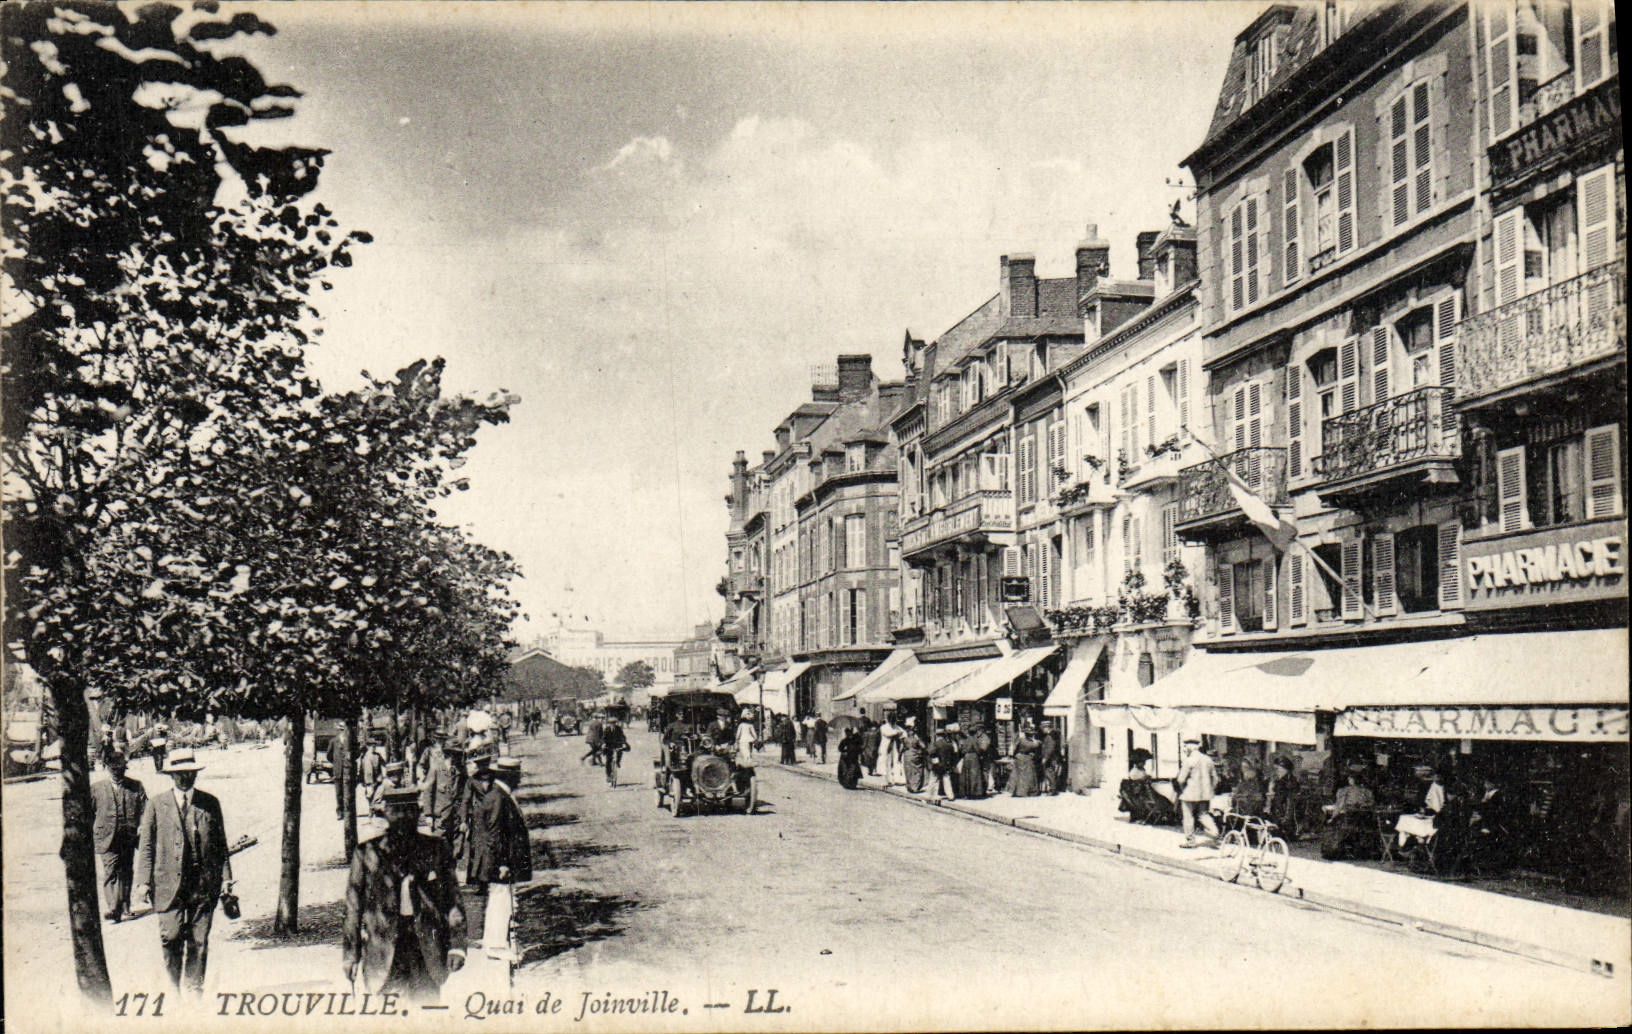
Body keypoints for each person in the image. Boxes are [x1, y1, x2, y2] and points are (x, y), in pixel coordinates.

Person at [342, 787, 467, 1003]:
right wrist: (351, 955)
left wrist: (457, 946)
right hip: (383, 952)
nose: (403, 816)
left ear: (418, 812)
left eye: (409, 810)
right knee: (390, 1014)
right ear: (386, 813)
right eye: (396, 811)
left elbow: (453, 900)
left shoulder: (436, 849)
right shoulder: (367, 853)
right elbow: (353, 907)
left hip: (427, 949)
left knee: (427, 1010)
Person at [133, 749, 235, 994]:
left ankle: (193, 987)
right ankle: (173, 987)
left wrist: (226, 877)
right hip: (167, 883)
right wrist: (143, 882)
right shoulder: (156, 805)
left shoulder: (210, 803)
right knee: (171, 937)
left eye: (190, 772)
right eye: (180, 773)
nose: (185, 777)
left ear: (195, 774)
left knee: (199, 939)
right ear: (171, 775)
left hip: (203, 883)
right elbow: (146, 846)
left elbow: (220, 844)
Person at [464, 755, 531, 962]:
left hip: (498, 859)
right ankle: (496, 946)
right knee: (500, 900)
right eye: (517, 775)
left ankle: (494, 942)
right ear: (509, 776)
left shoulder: (499, 795)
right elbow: (495, 833)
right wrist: (502, 862)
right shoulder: (499, 798)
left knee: (499, 899)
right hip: (497, 860)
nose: (519, 779)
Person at [93, 751, 148, 922]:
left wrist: (142, 825)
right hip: (106, 837)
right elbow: (88, 813)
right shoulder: (96, 789)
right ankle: (113, 907)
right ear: (107, 768)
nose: (117, 773)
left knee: (126, 871)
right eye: (113, 769)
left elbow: (146, 809)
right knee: (110, 870)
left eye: (121, 769)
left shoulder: (136, 786)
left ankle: (125, 906)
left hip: (128, 837)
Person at [1321, 767, 1379, 860]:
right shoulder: (1367, 791)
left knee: (1331, 824)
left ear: (1352, 780)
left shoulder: (1345, 791)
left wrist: (1332, 817)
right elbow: (1372, 804)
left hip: (1348, 822)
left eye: (1350, 778)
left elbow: (1340, 806)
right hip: (1362, 822)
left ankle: (1335, 849)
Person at [420, 735, 467, 848]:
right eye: (455, 754)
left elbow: (464, 794)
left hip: (456, 815)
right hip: (440, 817)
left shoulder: (461, 770)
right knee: (440, 845)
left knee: (457, 845)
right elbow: (428, 792)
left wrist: (464, 818)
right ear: (448, 754)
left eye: (458, 754)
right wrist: (428, 815)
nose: (457, 758)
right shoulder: (436, 768)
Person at [1175, 737, 1220, 848]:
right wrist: (1210, 789)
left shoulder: (1188, 760)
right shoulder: (1208, 760)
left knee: (1188, 817)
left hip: (1189, 794)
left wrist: (1183, 790)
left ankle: (1190, 841)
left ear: (1191, 747)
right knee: (1203, 815)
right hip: (1205, 794)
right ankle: (1215, 833)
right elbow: (1215, 779)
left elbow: (1180, 779)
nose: (1184, 749)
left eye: (1185, 746)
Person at [1118, 748, 1175, 825]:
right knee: (1165, 798)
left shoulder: (1137, 771)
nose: (1144, 764)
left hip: (1142, 797)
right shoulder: (1136, 773)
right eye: (1142, 762)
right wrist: (1147, 778)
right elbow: (1143, 782)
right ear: (1137, 762)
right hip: (1144, 797)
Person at [1266, 755, 1302, 839]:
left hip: (1284, 820)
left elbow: (1289, 803)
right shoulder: (1281, 781)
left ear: (1285, 769)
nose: (1276, 771)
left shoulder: (1288, 783)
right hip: (1281, 817)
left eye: (1277, 769)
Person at [1007, 721, 1041, 797]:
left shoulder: (1020, 739)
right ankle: (1024, 792)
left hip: (1019, 758)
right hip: (1025, 758)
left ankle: (1019, 791)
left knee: (1019, 775)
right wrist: (1037, 742)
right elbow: (1034, 745)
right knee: (1027, 776)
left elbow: (1014, 748)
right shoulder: (1025, 741)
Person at [929, 724, 959, 799]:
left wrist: (935, 762)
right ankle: (950, 796)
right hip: (946, 764)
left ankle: (932, 795)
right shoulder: (950, 744)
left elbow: (931, 753)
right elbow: (954, 754)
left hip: (937, 764)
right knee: (947, 780)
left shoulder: (936, 743)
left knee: (934, 780)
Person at [957, 724, 986, 800]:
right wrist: (979, 754)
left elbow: (962, 750)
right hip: (973, 758)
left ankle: (966, 792)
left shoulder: (966, 740)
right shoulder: (974, 739)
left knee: (966, 775)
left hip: (966, 757)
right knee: (974, 775)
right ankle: (974, 792)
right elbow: (977, 749)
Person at [879, 713, 906, 787]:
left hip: (895, 746)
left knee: (896, 761)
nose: (892, 721)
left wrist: (898, 733)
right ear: (888, 719)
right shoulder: (883, 727)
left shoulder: (896, 727)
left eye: (893, 719)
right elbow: (888, 734)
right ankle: (887, 780)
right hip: (886, 747)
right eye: (891, 719)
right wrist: (897, 733)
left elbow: (904, 733)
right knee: (886, 763)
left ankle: (897, 779)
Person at [601, 716, 629, 786]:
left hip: (617, 745)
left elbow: (622, 736)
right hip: (609, 746)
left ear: (615, 723)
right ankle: (608, 775)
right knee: (608, 761)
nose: (612, 724)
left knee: (620, 752)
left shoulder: (618, 729)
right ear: (609, 723)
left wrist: (624, 742)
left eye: (614, 723)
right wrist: (603, 744)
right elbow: (603, 737)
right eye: (611, 723)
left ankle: (618, 762)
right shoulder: (606, 729)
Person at [902, 718, 927, 794]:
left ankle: (909, 786)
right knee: (917, 771)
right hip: (915, 755)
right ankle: (915, 787)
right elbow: (923, 746)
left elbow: (902, 748)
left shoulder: (905, 739)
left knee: (908, 771)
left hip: (907, 755)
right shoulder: (916, 738)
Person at [1039, 722, 1062, 795]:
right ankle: (1053, 789)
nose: (1042, 730)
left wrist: (1045, 758)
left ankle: (1053, 790)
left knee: (1049, 773)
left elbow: (1050, 749)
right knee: (1050, 773)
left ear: (1047, 728)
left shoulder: (1049, 737)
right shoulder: (1052, 735)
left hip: (1050, 759)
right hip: (1052, 758)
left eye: (1043, 728)